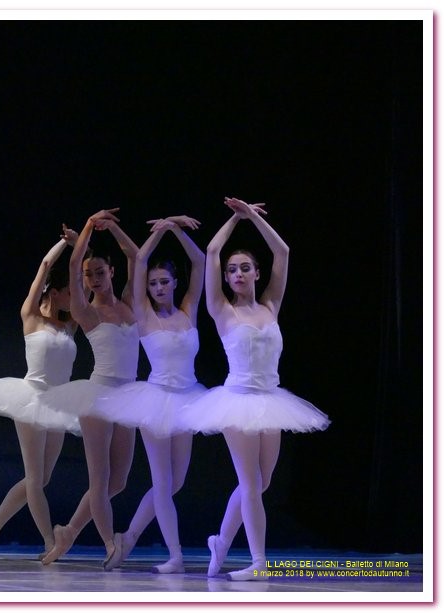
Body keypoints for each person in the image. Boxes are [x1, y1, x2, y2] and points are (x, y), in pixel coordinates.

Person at [176, 197, 329, 581]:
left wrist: (253, 219)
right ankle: (259, 561)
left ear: (257, 273)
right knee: (249, 485)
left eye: (245, 268)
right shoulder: (222, 311)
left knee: (261, 483)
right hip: (238, 401)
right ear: (226, 278)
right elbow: (212, 250)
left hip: (271, 400)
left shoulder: (271, 306)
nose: (238, 274)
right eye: (232, 270)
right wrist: (234, 217)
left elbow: (283, 250)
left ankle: (221, 542)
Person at [96, 215, 207, 573]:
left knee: (176, 482)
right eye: (154, 283)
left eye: (164, 282)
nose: (158, 287)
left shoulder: (189, 310)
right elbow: (139, 261)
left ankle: (127, 538)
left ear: (175, 284)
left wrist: (175, 229)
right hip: (156, 399)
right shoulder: (143, 313)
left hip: (188, 397)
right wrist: (153, 232)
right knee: (162, 482)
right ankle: (175, 554)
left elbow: (200, 261)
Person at [0, 227, 82, 559]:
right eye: (68, 294)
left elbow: (80, 278)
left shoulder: (69, 324)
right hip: (31, 397)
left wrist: (81, 248)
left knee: (41, 479)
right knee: (34, 477)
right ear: (55, 293)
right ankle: (49, 540)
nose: (73, 299)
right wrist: (63, 243)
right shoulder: (31, 317)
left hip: (60, 403)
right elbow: (45, 265)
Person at [37, 209, 141, 565]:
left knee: (119, 481)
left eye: (100, 272)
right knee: (101, 478)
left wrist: (113, 227)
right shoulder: (86, 310)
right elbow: (74, 263)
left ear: (111, 272)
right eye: (88, 275)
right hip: (98, 395)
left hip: (128, 396)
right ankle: (110, 544)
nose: (94, 279)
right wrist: (84, 229)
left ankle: (68, 531)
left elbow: (136, 256)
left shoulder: (129, 302)